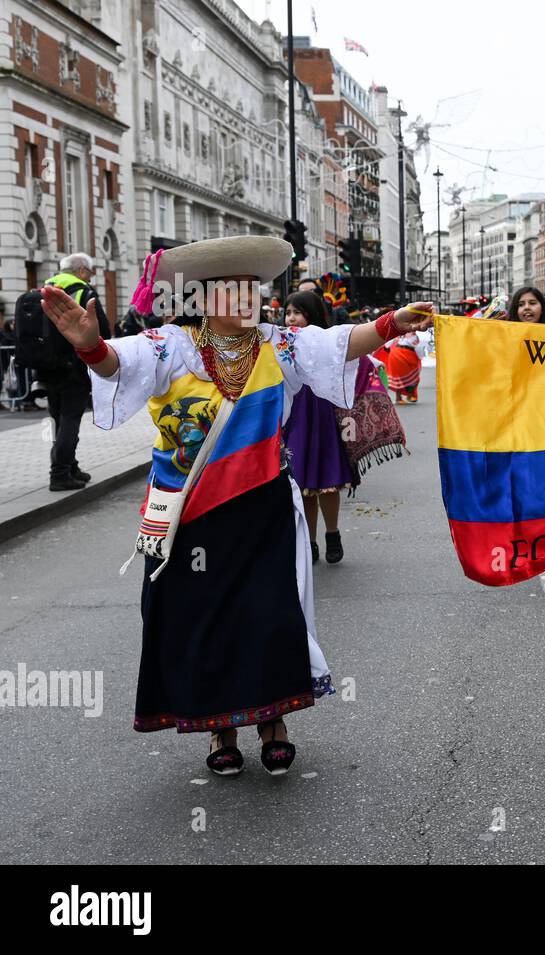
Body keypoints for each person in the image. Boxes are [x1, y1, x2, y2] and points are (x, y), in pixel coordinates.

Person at [38, 234, 435, 776]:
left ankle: (274, 722)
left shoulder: (280, 345)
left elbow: (340, 342)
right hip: (189, 512)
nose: (248, 297)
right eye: (232, 289)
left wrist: (393, 324)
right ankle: (217, 729)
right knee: (199, 620)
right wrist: (90, 345)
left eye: (253, 288)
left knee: (267, 614)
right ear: (200, 298)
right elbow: (115, 365)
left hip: (262, 506)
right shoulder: (169, 346)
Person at [282, 291, 354, 564]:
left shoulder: (326, 341)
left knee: (329, 481)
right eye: (288, 312)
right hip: (296, 419)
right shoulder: (281, 344)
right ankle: (309, 542)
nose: (291, 318)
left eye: (297, 312)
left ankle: (332, 534)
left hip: (323, 416)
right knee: (302, 483)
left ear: (311, 314)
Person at [41, 253, 112, 491]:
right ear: (81, 270)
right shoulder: (83, 291)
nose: (91, 277)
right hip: (75, 365)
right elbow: (102, 328)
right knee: (71, 420)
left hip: (48, 366)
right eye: (90, 272)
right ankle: (60, 474)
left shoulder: (47, 288)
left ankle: (70, 466)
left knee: (58, 418)